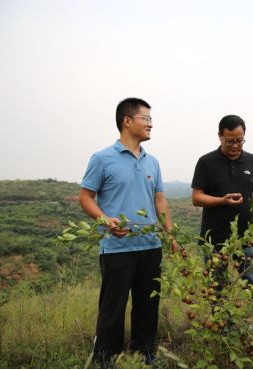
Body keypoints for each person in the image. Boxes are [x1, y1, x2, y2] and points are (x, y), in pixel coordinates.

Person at [79, 98, 174, 367]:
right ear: (127, 121)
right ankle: (106, 358)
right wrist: (105, 220)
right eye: (146, 118)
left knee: (147, 306)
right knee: (113, 308)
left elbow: (160, 201)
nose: (151, 124)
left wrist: (170, 235)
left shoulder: (152, 162)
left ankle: (143, 354)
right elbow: (85, 197)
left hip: (150, 246)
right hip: (117, 248)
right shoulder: (102, 158)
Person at [191, 114, 253, 327]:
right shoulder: (206, 162)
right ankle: (225, 334)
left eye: (240, 140)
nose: (235, 145)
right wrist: (222, 200)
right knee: (218, 290)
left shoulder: (252, 161)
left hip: (245, 237)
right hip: (215, 240)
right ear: (220, 137)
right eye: (230, 141)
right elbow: (196, 197)